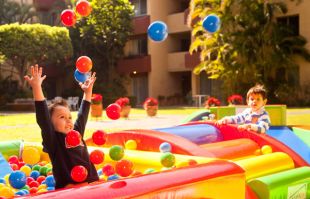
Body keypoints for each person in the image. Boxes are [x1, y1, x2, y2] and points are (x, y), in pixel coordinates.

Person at [24, 64, 99, 189]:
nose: (68, 121)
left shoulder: (76, 133)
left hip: (92, 184)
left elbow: (82, 115)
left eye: (69, 117)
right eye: (62, 117)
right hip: (69, 189)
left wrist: (88, 92)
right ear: (51, 124)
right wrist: (37, 87)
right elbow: (43, 118)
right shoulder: (53, 141)